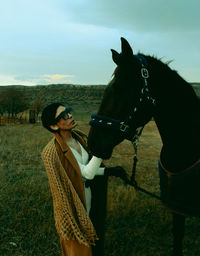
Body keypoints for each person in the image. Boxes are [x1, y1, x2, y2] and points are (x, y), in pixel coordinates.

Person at [41, 103, 128, 256]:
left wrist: (109, 171)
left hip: (90, 195)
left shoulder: (79, 138)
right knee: (78, 246)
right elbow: (87, 174)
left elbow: (86, 171)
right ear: (54, 126)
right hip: (75, 202)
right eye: (63, 116)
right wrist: (101, 151)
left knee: (94, 236)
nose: (70, 116)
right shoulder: (53, 152)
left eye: (68, 111)